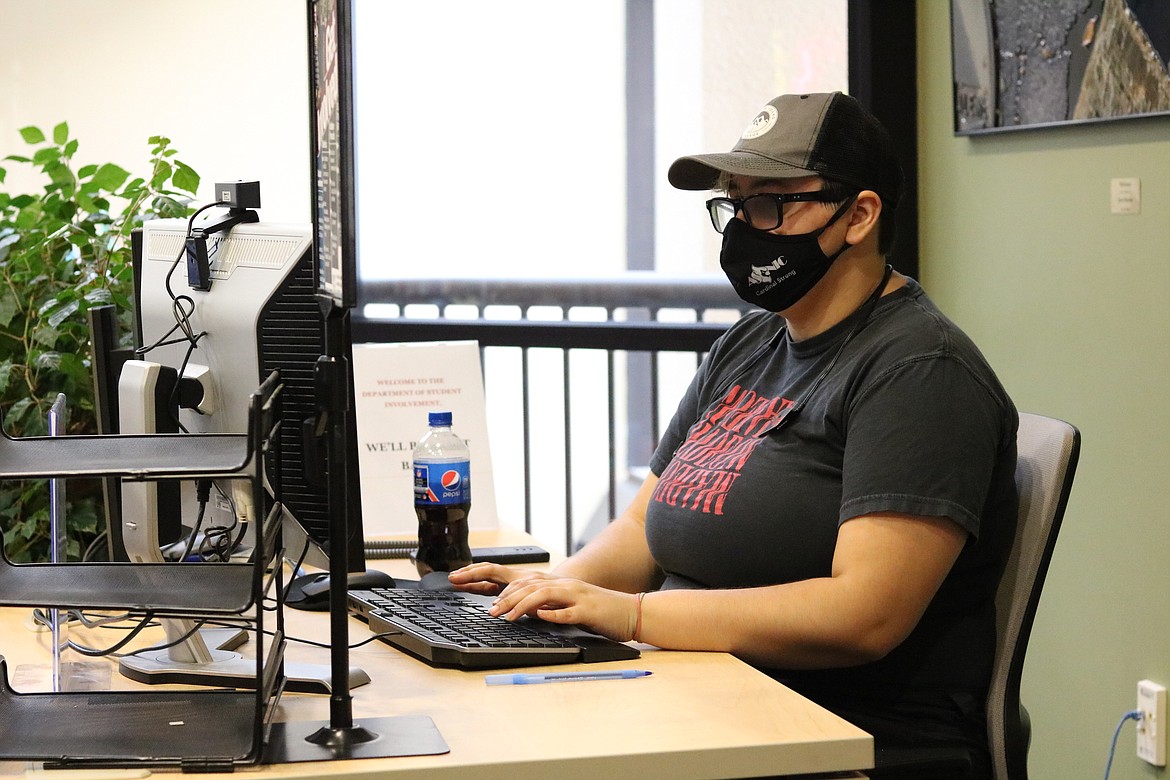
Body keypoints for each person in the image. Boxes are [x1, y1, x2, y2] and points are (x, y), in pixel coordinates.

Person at [450, 92, 1017, 779]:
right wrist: (547, 589)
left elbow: (863, 615)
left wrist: (631, 617)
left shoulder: (919, 371)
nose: (745, 227)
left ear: (860, 216)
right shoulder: (752, 343)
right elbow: (640, 532)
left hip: (842, 735)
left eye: (771, 204)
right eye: (736, 204)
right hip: (703, 693)